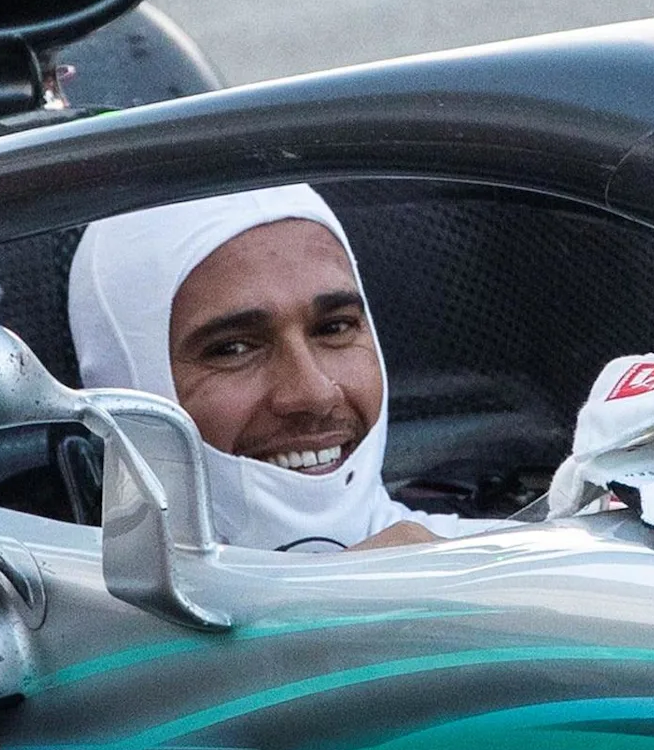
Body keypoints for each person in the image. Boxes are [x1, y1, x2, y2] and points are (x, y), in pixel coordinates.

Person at [67, 185, 440, 551]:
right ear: (124, 389)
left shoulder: (490, 572)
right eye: (233, 349)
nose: (314, 394)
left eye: (334, 328)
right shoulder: (41, 607)